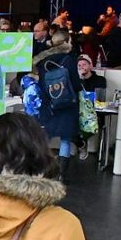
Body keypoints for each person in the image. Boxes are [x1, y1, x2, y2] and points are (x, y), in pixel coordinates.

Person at [33, 29, 82, 182]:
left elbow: (41, 85)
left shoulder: (43, 61)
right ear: (67, 41)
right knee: (65, 140)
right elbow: (75, 83)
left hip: (49, 104)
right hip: (67, 105)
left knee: (45, 138)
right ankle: (61, 175)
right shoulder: (69, 60)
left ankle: (40, 170)